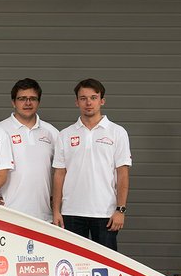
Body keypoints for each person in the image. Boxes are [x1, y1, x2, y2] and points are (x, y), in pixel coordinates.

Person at [52, 78, 132, 250]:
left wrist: (121, 209)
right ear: (77, 102)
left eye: (93, 97)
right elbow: (59, 174)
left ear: (102, 100)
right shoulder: (65, 135)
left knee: (106, 268)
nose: (88, 102)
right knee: (72, 266)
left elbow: (123, 173)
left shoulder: (117, 133)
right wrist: (56, 211)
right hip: (71, 213)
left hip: (105, 213)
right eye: (83, 98)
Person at [0, 78, 59, 222]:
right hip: (8, 214)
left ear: (38, 102)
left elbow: (62, 171)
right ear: (13, 102)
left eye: (32, 99)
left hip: (44, 217)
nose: (28, 103)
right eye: (22, 98)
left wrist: (56, 200)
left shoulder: (52, 133)